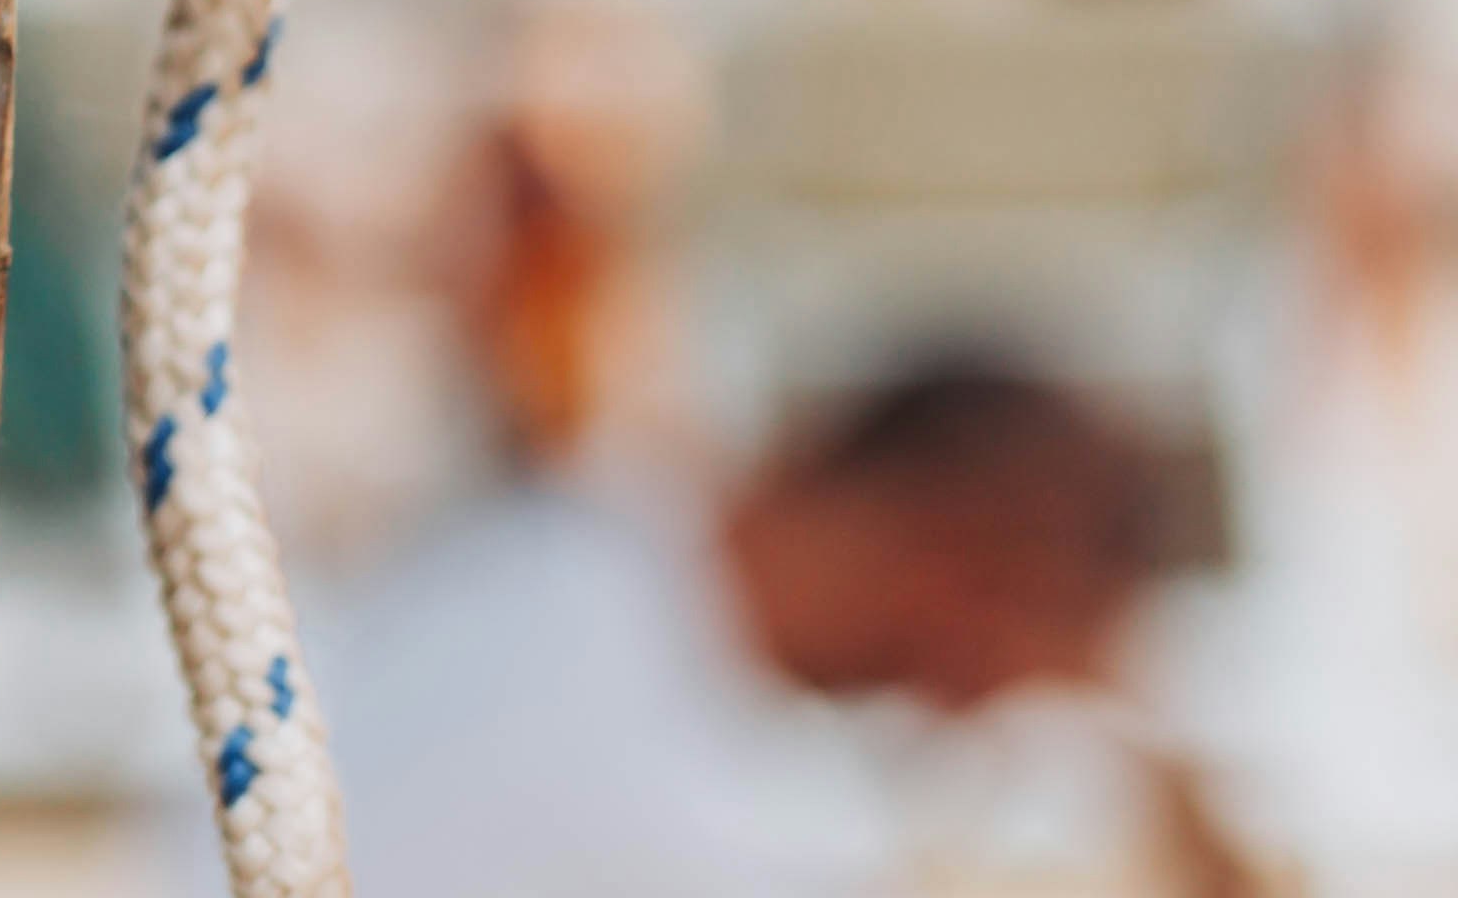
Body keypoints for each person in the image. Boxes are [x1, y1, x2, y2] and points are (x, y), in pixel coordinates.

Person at [295, 357, 1258, 898]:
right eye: (1021, 652)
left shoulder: (581, 539)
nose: (982, 707)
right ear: (966, 558)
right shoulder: (581, 653)